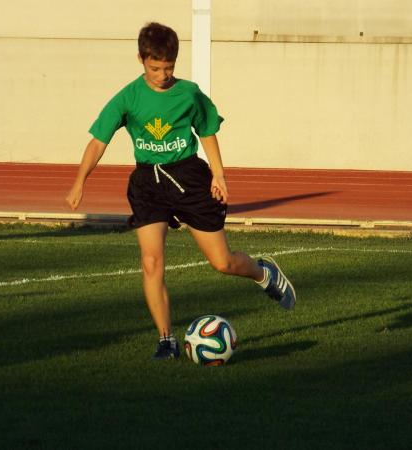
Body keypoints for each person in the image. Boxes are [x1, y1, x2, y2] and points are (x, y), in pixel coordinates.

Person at [66, 22, 296, 360]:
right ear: (141, 60)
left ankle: (264, 273)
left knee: (223, 262)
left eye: (168, 67)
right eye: (155, 67)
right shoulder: (127, 98)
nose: (162, 74)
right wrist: (79, 181)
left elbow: (207, 132)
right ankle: (166, 339)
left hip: (189, 178)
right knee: (150, 262)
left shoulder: (189, 94)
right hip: (148, 184)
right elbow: (97, 142)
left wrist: (219, 175)